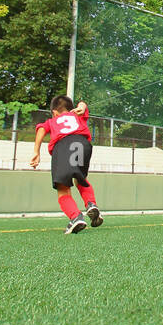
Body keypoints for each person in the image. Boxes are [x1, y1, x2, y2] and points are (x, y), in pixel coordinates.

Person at [29, 96, 103, 235]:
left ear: (55, 112)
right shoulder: (77, 114)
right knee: (80, 179)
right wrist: (82, 105)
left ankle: (75, 217)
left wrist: (36, 152)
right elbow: (83, 105)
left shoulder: (52, 121)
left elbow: (41, 129)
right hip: (82, 144)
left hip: (62, 146)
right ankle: (91, 204)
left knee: (63, 188)